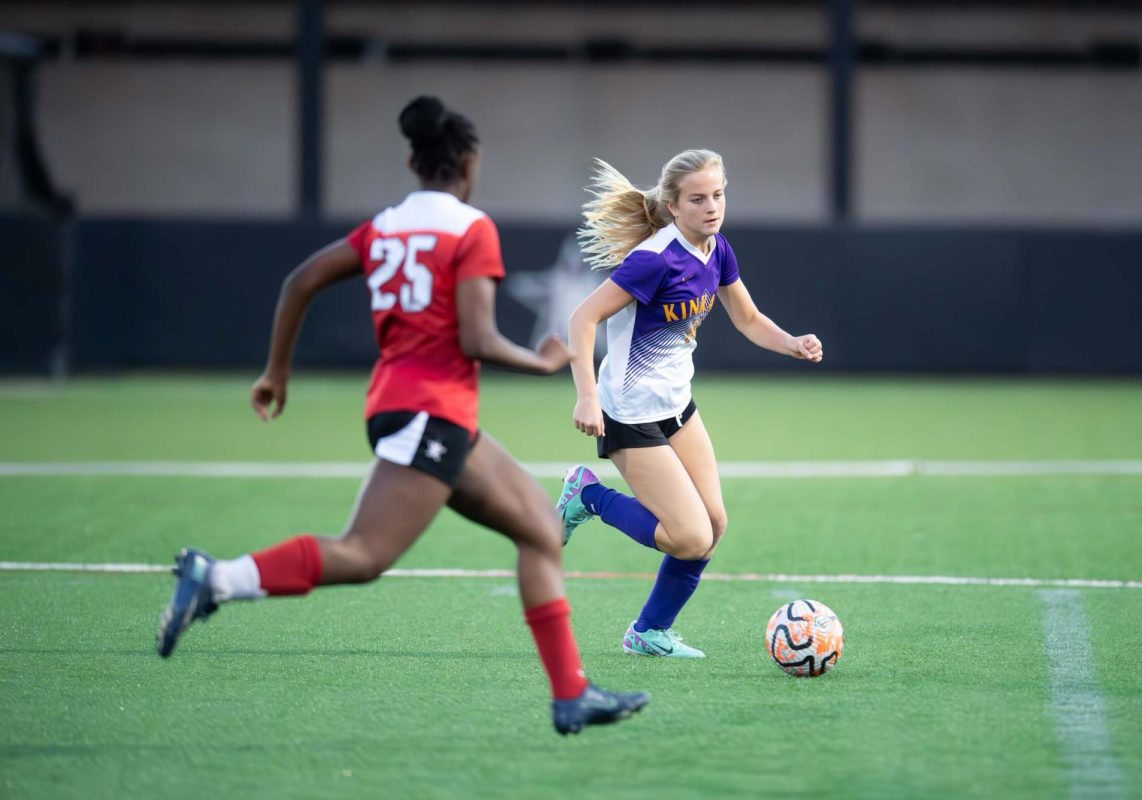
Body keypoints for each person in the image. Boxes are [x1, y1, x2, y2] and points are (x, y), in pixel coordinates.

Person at [155, 95, 649, 735]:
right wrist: (543, 361)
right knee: (363, 555)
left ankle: (570, 694)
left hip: (421, 411)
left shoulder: (385, 226)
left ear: (414, 160)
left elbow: (300, 281)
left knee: (536, 528)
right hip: (428, 414)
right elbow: (475, 339)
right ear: (467, 164)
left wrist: (276, 370)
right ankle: (215, 578)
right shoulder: (471, 229)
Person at [555, 150, 823, 658]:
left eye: (718, 195)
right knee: (689, 537)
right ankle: (587, 496)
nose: (711, 207)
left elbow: (747, 318)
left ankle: (648, 631)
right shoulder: (653, 259)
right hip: (630, 414)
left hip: (678, 408)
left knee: (714, 526)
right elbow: (581, 320)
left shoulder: (718, 250)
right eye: (697, 199)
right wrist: (587, 397)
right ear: (673, 207)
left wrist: (791, 342)